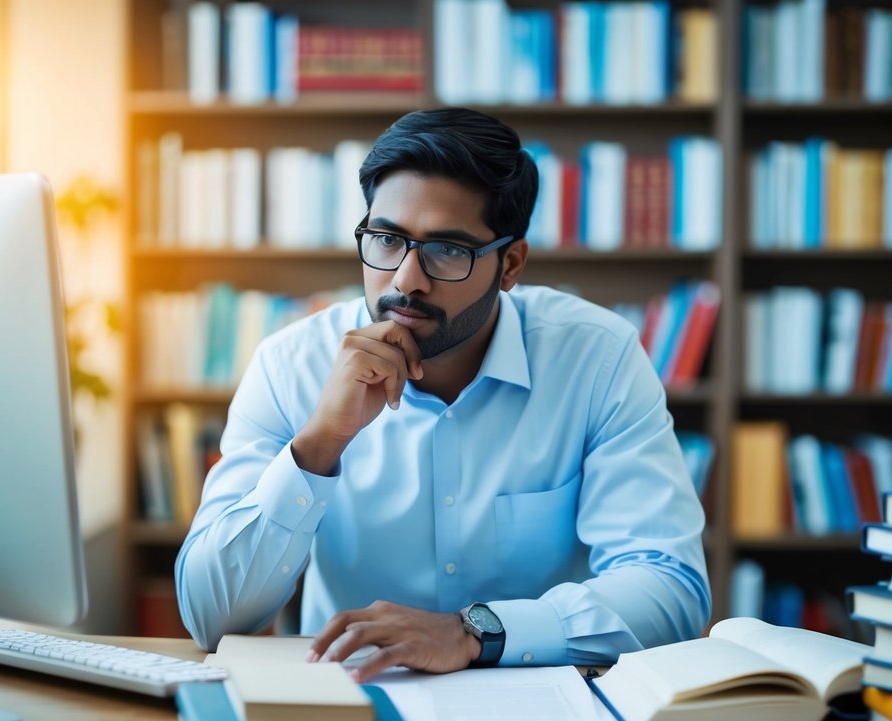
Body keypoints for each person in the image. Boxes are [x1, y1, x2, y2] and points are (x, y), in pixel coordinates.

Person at [175, 108, 710, 681]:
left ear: (510, 265)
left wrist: (475, 631)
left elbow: (670, 587)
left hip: (546, 712)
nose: (406, 279)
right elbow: (211, 617)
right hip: (352, 698)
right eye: (386, 239)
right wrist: (317, 447)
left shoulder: (597, 359)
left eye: (448, 250)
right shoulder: (291, 366)